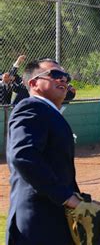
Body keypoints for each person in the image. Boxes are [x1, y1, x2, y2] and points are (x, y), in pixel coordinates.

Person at [5, 58, 90, 244]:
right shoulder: (31, 107)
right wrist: (67, 197)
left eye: (66, 77)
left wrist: (78, 199)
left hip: (50, 217)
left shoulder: (49, 112)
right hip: (38, 223)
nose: (63, 80)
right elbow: (24, 156)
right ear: (33, 83)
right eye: (55, 75)